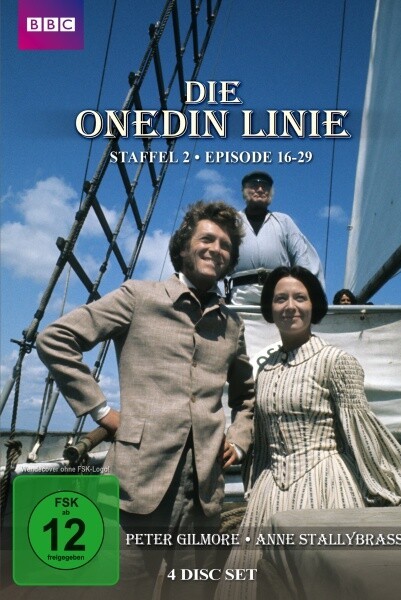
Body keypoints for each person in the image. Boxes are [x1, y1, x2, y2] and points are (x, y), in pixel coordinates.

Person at [36, 200, 255, 600]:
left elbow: (247, 396)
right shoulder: (139, 297)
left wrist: (239, 440)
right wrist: (101, 411)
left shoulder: (232, 325)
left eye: (226, 245)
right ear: (183, 247)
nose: (216, 249)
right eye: (207, 239)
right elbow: (56, 339)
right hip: (133, 490)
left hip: (202, 500)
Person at [216, 266, 401, 600]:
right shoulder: (265, 371)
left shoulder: (336, 362)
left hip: (326, 487)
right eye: (280, 299)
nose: (290, 306)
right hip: (269, 492)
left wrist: (389, 489)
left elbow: (361, 433)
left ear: (314, 305)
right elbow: (262, 442)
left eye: (300, 297)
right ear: (270, 309)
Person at [226, 171, 325, 305]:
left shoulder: (284, 221)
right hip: (239, 298)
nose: (260, 189)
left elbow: (302, 258)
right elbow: (220, 258)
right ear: (244, 191)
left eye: (265, 186)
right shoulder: (232, 222)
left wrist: (308, 292)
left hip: (279, 296)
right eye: (254, 185)